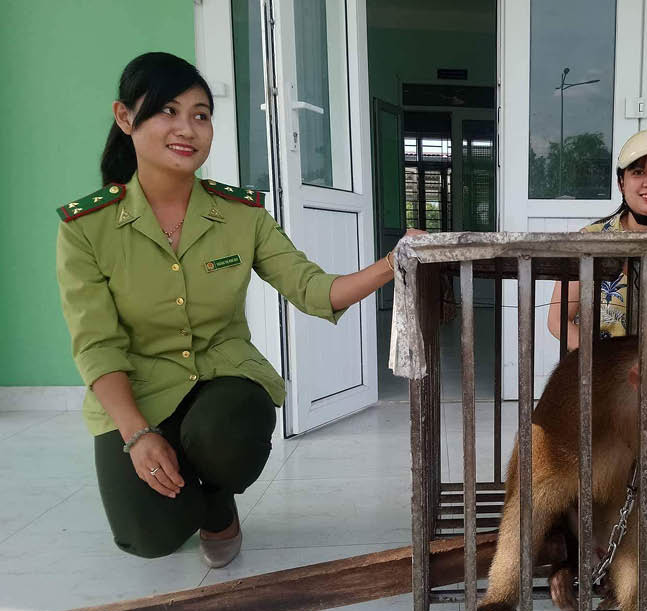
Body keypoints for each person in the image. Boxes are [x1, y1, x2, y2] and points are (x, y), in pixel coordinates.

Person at [55, 52, 423, 567]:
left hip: (222, 381)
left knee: (228, 434)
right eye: (168, 111)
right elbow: (96, 344)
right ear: (125, 118)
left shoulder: (239, 215)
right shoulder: (86, 227)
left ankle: (218, 503)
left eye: (201, 114)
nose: (187, 128)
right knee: (149, 538)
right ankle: (191, 485)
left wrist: (395, 260)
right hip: (138, 392)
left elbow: (315, 290)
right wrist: (137, 435)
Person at [548, 129, 647, 347]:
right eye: (638, 172)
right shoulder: (588, 239)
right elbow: (557, 321)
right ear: (622, 182)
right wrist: (612, 367)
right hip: (599, 372)